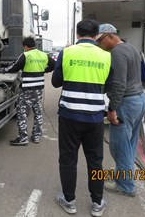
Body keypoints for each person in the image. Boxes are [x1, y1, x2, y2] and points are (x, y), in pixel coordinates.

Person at [52, 20, 111, 216]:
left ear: (77, 34)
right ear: (96, 36)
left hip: (69, 115)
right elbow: (109, 85)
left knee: (68, 158)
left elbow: (55, 82)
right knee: (95, 159)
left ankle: (69, 201)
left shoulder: (67, 52)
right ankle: (97, 203)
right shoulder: (105, 56)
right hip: (95, 117)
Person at [96, 23, 145, 197]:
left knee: (119, 146)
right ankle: (123, 174)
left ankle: (125, 186)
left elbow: (119, 84)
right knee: (130, 143)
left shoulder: (117, 52)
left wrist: (112, 109)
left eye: (101, 41)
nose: (100, 45)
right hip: (139, 99)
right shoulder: (130, 48)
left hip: (126, 102)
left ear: (110, 36)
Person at [0, 36, 55, 145]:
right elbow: (54, 65)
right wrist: (44, 70)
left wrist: (4, 70)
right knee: (38, 112)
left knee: (21, 112)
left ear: (25, 46)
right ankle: (36, 136)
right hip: (39, 89)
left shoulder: (26, 55)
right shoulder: (44, 55)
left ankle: (23, 138)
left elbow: (15, 68)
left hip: (27, 89)